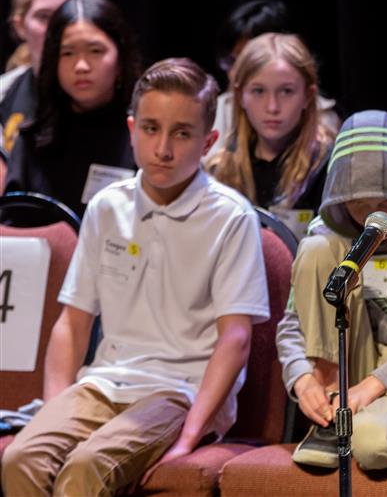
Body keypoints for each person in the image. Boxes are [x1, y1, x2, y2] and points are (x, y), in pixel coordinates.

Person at [0, 58, 270, 497]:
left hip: (178, 391)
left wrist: (189, 435)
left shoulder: (229, 217)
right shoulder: (108, 206)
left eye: (182, 133)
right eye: (150, 129)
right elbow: (72, 322)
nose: (163, 148)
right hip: (105, 381)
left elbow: (235, 338)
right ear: (132, 129)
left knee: (85, 468)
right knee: (20, 458)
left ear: (208, 141)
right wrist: (54, 410)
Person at [275, 109, 387, 469]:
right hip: (348, 374)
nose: (374, 213)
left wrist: (374, 385)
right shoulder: (329, 241)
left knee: (373, 445)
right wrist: (302, 378)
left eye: (385, 202)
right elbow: (293, 324)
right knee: (316, 250)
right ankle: (329, 417)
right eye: (361, 203)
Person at [3, 0, 141, 217]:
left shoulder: (144, 135)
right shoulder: (32, 139)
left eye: (96, 51)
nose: (81, 66)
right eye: (67, 53)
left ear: (120, 56)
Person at [207, 33, 334, 238]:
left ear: (308, 96)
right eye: (259, 91)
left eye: (286, 91)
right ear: (240, 96)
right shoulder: (220, 171)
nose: (272, 107)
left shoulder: (330, 169)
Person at [207, 0, 339, 159]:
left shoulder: (322, 119)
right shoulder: (216, 108)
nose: (272, 107)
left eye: (250, 59)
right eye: (232, 61)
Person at [1, 0, 85, 152]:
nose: (55, 26)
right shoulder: (4, 94)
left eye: (65, 14)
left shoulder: (103, 92)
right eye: (43, 16)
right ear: (20, 26)